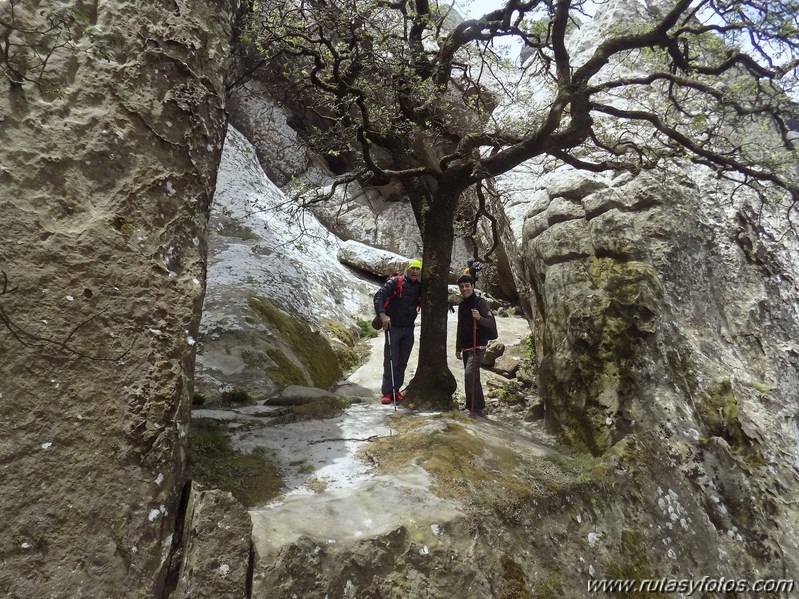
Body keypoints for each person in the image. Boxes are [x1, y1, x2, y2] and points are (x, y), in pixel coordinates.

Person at [373, 259, 423, 405]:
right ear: (407, 269)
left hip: (409, 329)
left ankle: (396, 390)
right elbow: (378, 296)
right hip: (393, 328)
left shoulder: (420, 287)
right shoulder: (396, 281)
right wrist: (383, 316)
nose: (415, 271)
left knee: (402, 362)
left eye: (417, 269)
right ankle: (387, 392)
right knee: (391, 360)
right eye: (412, 268)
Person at [455, 274, 495, 417]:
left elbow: (490, 323)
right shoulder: (462, 305)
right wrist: (458, 347)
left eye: (467, 286)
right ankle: (479, 406)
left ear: (473, 286)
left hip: (478, 346)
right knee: (474, 377)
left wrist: (479, 318)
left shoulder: (480, 302)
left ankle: (470, 407)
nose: (464, 289)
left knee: (469, 375)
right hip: (466, 347)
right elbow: (460, 327)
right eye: (462, 287)